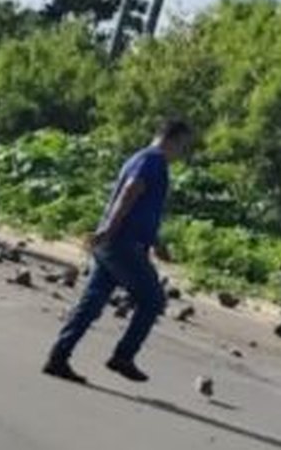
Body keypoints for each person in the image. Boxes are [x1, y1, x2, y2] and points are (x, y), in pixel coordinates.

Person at [42, 119, 195, 384]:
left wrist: (156, 243)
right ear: (173, 139)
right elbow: (129, 192)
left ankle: (58, 356)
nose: (182, 153)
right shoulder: (154, 160)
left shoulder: (139, 158)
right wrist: (109, 231)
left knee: (91, 304)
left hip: (114, 243)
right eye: (183, 145)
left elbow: (141, 208)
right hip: (122, 244)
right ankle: (123, 356)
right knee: (153, 300)